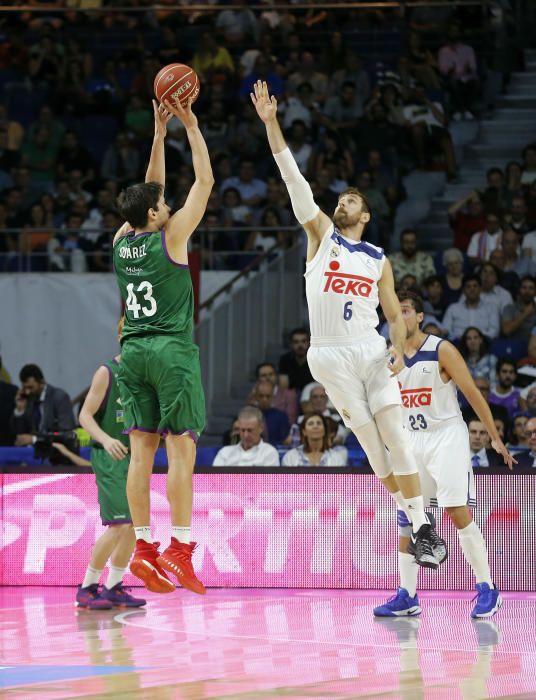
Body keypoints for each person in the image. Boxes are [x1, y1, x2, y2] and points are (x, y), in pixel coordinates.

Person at [251, 79, 445, 569]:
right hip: (328, 353)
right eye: (341, 197)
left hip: (369, 348)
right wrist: (272, 126)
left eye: (353, 198)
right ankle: (413, 516)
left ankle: (421, 526)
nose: (344, 200)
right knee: (374, 453)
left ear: (367, 212)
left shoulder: (379, 257)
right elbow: (295, 179)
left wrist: (400, 349)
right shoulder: (320, 234)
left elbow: (393, 313)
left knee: (395, 434)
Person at [112, 98, 214, 596]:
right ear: (155, 214)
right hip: (171, 352)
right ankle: (180, 545)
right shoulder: (171, 237)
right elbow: (205, 183)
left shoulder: (121, 239)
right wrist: (190, 127)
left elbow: (149, 192)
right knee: (181, 453)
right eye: (161, 205)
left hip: (131, 354)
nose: (168, 204)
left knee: (139, 455)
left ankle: (144, 548)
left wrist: (157, 134)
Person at [374, 292, 513, 620]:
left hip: (445, 436)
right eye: (394, 313)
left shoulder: (441, 350)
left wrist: (495, 438)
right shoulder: (387, 359)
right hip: (410, 439)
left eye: (405, 311)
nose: (399, 317)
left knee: (455, 510)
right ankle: (407, 595)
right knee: (408, 516)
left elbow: (473, 394)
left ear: (420, 316)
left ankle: (487, 588)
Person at [70, 319, 145, 610]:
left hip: (135, 457)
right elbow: (85, 416)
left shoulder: (142, 376)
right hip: (110, 455)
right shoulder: (107, 372)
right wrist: (104, 439)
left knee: (133, 526)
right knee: (119, 524)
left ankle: (114, 586)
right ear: (120, 334)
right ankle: (88, 586)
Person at [11, 363, 76, 446]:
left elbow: (67, 433)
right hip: (30, 453)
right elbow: (18, 434)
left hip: (54, 452)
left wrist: (35, 439)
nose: (27, 392)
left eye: (30, 387)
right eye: (24, 387)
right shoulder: (27, 399)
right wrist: (19, 410)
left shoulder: (59, 397)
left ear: (42, 382)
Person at [213, 406, 280, 467]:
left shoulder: (270, 453)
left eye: (250, 430)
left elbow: (268, 480)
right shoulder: (225, 453)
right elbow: (214, 479)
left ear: (261, 428)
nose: (245, 435)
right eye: (242, 430)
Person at [282, 412, 347, 466]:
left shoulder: (336, 458)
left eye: (319, 423)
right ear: (304, 431)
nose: (315, 426)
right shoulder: (290, 457)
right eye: (310, 424)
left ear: (324, 430)